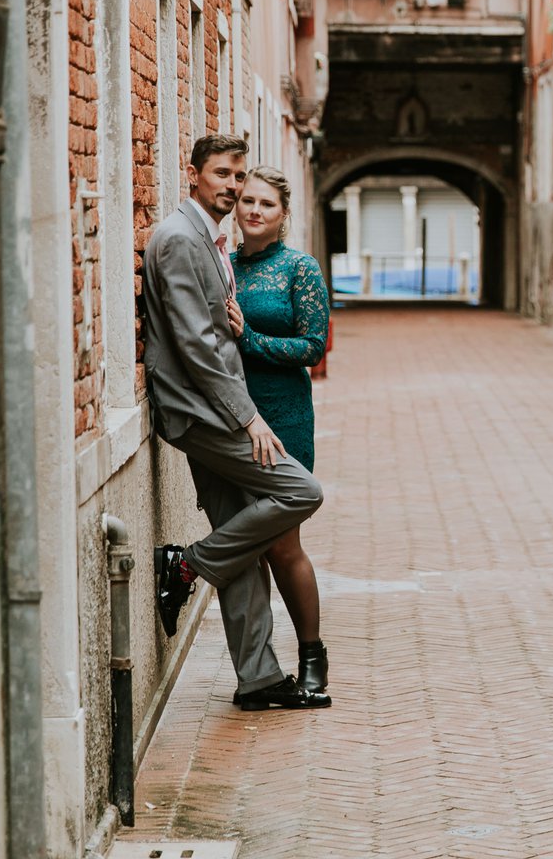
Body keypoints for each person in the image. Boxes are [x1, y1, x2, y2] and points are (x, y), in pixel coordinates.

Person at [141, 134, 331, 712]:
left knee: (247, 548)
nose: (233, 188)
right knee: (302, 491)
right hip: (208, 414)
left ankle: (258, 677)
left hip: (236, 407)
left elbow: (307, 343)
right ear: (194, 174)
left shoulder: (212, 240)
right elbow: (198, 345)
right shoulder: (180, 239)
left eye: (239, 176)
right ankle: (190, 563)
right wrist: (247, 416)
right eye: (223, 175)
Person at [226, 166, 332, 692]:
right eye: (247, 201)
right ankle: (261, 669)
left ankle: (312, 654)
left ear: (283, 214)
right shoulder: (221, 266)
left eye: (266, 204)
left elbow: (313, 348)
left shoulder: (300, 269)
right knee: (251, 548)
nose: (254, 211)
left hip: (284, 416)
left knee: (283, 544)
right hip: (231, 418)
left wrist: (251, 342)